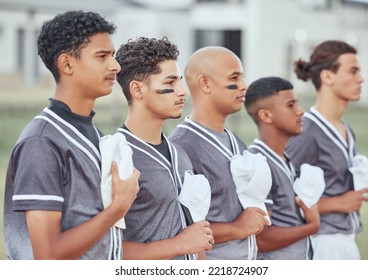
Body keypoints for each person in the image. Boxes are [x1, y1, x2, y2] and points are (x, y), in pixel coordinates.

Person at [3, 10, 140, 260]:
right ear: (66, 64)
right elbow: (47, 255)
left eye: (113, 55)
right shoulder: (41, 142)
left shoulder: (95, 135)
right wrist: (117, 209)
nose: (115, 65)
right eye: (102, 56)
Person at [115, 37, 214, 260]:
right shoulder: (117, 155)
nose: (182, 92)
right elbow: (106, 250)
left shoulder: (179, 153)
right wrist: (178, 245)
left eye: (179, 82)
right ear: (137, 89)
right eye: (170, 83)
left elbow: (195, 236)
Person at [169, 46, 269, 260]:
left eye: (242, 77)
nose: (243, 85)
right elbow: (178, 227)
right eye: (235, 77)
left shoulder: (236, 142)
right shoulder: (182, 146)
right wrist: (237, 228)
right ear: (205, 83)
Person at [286, 40, 368, 259]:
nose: (361, 78)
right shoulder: (306, 131)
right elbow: (281, 199)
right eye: (353, 71)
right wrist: (339, 203)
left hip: (347, 242)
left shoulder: (346, 129)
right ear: (327, 76)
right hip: (322, 244)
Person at [244, 76, 320, 259]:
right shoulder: (258, 163)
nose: (300, 111)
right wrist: (311, 226)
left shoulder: (283, 157)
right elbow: (260, 239)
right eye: (291, 105)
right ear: (266, 115)